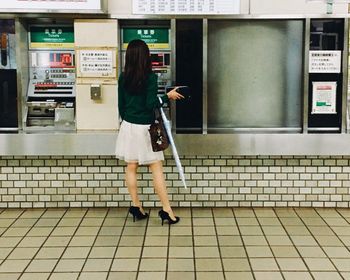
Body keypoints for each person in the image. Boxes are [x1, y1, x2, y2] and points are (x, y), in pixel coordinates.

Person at [115, 39, 184, 225]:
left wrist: (129, 118)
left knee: (131, 167)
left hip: (128, 127)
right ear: (145, 57)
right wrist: (166, 97)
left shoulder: (123, 77)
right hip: (145, 128)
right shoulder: (150, 78)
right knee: (156, 168)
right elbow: (150, 104)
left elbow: (121, 106)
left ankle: (137, 206)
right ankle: (167, 210)